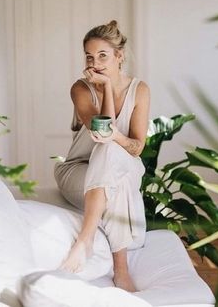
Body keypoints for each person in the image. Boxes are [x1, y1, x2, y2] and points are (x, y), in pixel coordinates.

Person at [54, 20, 150, 292]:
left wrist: (116, 136)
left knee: (111, 150)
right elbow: (100, 131)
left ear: (120, 56)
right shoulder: (81, 88)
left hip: (124, 167)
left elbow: (136, 147)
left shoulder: (140, 90)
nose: (95, 63)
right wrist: (105, 87)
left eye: (103, 55)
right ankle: (121, 270)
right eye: (89, 56)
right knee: (109, 158)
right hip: (77, 171)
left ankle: (84, 242)